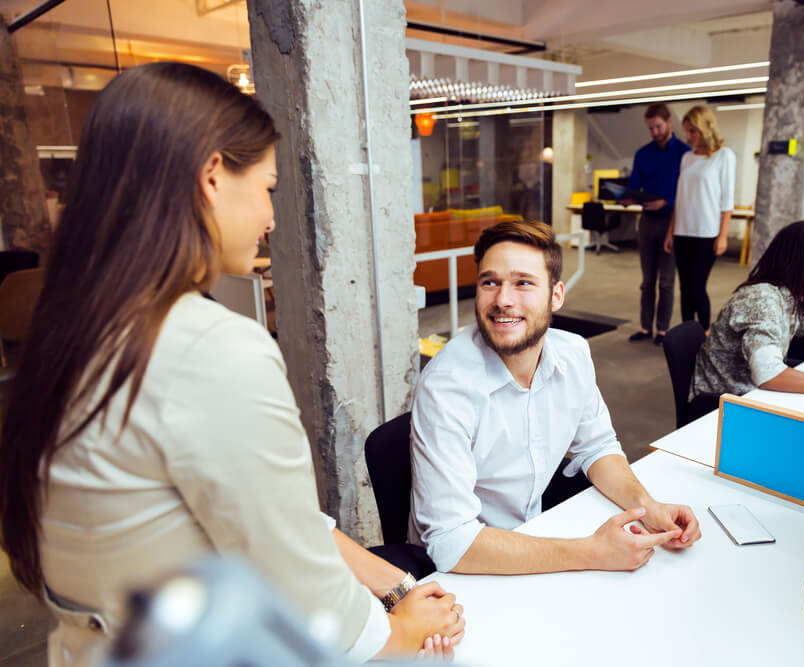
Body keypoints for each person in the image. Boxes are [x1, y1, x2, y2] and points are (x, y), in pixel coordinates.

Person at [0, 62, 462, 665]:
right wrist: (397, 632)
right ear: (213, 176)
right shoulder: (211, 349)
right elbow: (303, 584)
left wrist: (390, 581)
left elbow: (260, 508)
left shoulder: (72, 328)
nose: (273, 218)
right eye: (268, 185)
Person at [409, 220, 701, 575]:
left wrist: (649, 507)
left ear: (556, 295)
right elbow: (452, 541)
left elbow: (597, 447)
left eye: (523, 283)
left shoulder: (572, 355)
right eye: (490, 282)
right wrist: (593, 553)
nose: (503, 299)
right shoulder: (447, 387)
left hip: (536, 534)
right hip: (467, 569)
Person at [690, 221, 804, 400]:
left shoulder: (792, 295)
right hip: (723, 403)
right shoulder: (761, 299)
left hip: (753, 394)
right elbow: (768, 374)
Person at [665, 105, 736, 330]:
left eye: (692, 131)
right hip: (682, 232)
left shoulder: (724, 155)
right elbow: (680, 198)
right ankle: (688, 332)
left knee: (697, 286)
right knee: (685, 287)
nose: (688, 136)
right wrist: (670, 232)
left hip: (707, 233)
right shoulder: (687, 157)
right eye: (686, 131)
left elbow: (727, 201)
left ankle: (705, 333)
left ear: (705, 129)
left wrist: (723, 236)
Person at [625, 103, 691, 345]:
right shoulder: (643, 154)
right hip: (647, 220)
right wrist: (629, 197)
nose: (654, 132)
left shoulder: (685, 153)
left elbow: (686, 190)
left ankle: (662, 330)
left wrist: (666, 202)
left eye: (658, 126)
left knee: (666, 281)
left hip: (673, 221)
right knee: (647, 280)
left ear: (669, 123)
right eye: (650, 127)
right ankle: (645, 327)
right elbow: (635, 184)